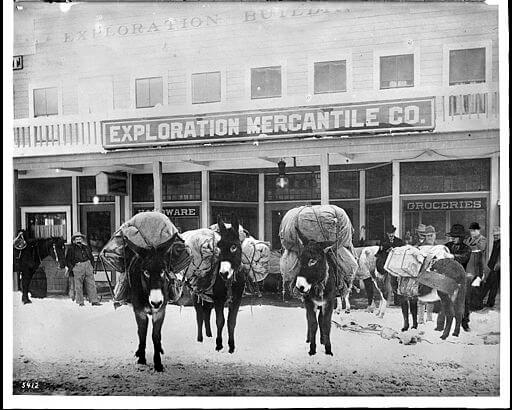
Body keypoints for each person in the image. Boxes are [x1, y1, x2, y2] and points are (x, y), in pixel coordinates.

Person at [444, 224, 472, 331]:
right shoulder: (447, 246)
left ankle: (465, 322)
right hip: (448, 277)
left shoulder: (467, 249)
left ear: (461, 237)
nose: (453, 239)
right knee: (448, 300)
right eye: (452, 236)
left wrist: (452, 257)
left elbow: (464, 258)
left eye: (455, 237)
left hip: (461, 277)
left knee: (463, 300)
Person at [65, 232, 102, 307]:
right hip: (78, 266)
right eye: (77, 239)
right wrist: (73, 268)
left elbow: (91, 257)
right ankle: (80, 302)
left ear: (82, 239)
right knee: (78, 285)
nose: (78, 240)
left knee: (91, 284)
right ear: (74, 240)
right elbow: (67, 260)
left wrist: (91, 266)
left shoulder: (86, 247)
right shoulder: (71, 249)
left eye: (80, 238)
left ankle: (94, 301)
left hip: (87, 265)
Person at [464, 222, 487, 311]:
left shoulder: (482, 239)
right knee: (468, 287)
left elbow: (481, 248)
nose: (472, 233)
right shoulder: (468, 239)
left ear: (478, 230)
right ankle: (469, 305)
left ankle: (477, 305)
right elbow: (466, 247)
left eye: (474, 231)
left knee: (476, 287)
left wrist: (470, 247)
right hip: (469, 265)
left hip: (477, 266)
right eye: (471, 231)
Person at [416, 225, 436, 324]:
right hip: (422, 274)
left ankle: (429, 317)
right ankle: (420, 319)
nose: (430, 238)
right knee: (421, 296)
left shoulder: (438, 247)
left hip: (434, 275)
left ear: (435, 235)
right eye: (427, 236)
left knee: (431, 296)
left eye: (431, 235)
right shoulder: (419, 247)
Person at [481, 227, 500, 309]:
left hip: (496, 267)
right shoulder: (496, 242)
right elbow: (493, 255)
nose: (495, 237)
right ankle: (487, 302)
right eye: (494, 236)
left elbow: (500, 257)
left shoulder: (501, 243)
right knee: (490, 284)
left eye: (497, 235)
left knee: (492, 285)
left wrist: (497, 265)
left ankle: (488, 302)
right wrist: (489, 266)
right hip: (492, 266)